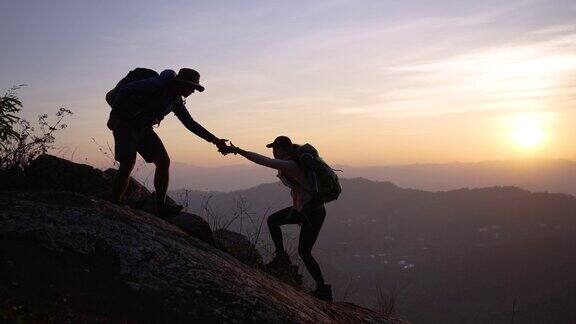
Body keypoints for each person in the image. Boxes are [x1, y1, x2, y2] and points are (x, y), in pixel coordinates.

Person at [221, 136, 333, 301]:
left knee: (304, 251)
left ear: (284, 149)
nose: (273, 152)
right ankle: (281, 257)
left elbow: (263, 160)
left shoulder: (289, 164)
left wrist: (238, 151)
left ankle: (322, 288)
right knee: (273, 221)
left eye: (276, 149)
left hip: (313, 212)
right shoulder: (291, 163)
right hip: (303, 209)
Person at [106, 68, 228, 217]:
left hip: (143, 128)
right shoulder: (156, 85)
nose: (193, 91)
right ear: (182, 83)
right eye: (192, 87)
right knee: (128, 162)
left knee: (163, 161)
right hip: (124, 123)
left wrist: (215, 140)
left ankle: (160, 207)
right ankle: (114, 204)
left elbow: (190, 123)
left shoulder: (175, 100)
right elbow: (125, 90)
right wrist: (115, 116)